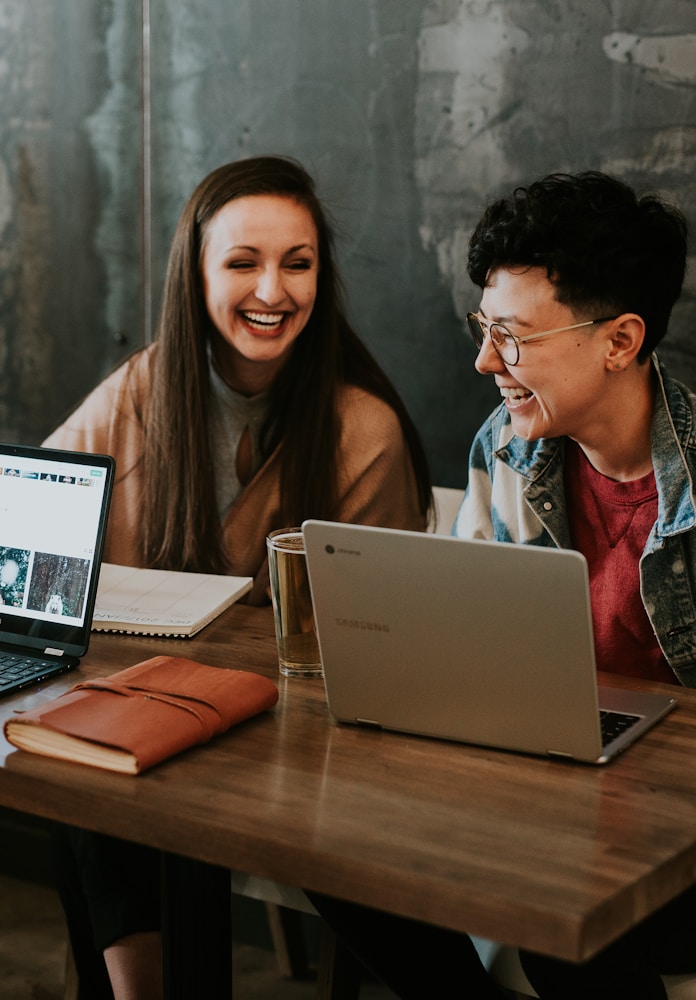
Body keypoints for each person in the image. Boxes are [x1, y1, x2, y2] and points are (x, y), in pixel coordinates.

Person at [308, 171, 696, 999]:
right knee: (331, 852)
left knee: (567, 924)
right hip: (557, 804)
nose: (483, 360)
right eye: (483, 328)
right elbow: (466, 655)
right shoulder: (505, 449)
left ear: (619, 341)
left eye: (512, 336)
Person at [45, 154, 432, 1000]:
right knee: (80, 767)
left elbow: (375, 643)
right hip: (150, 716)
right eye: (243, 262)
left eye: (298, 263)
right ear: (197, 273)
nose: (273, 290)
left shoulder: (360, 428)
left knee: (101, 774)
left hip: (293, 743)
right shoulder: (147, 386)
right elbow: (42, 512)